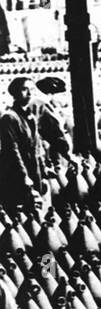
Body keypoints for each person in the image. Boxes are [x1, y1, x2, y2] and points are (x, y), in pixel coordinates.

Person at [0, 78, 48, 214]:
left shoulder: (30, 117)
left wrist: (43, 168)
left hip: (34, 170)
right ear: (14, 93)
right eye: (24, 89)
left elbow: (37, 146)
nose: (29, 93)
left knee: (37, 212)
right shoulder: (9, 118)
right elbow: (12, 150)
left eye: (32, 90)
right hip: (16, 173)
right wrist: (23, 176)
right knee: (21, 214)